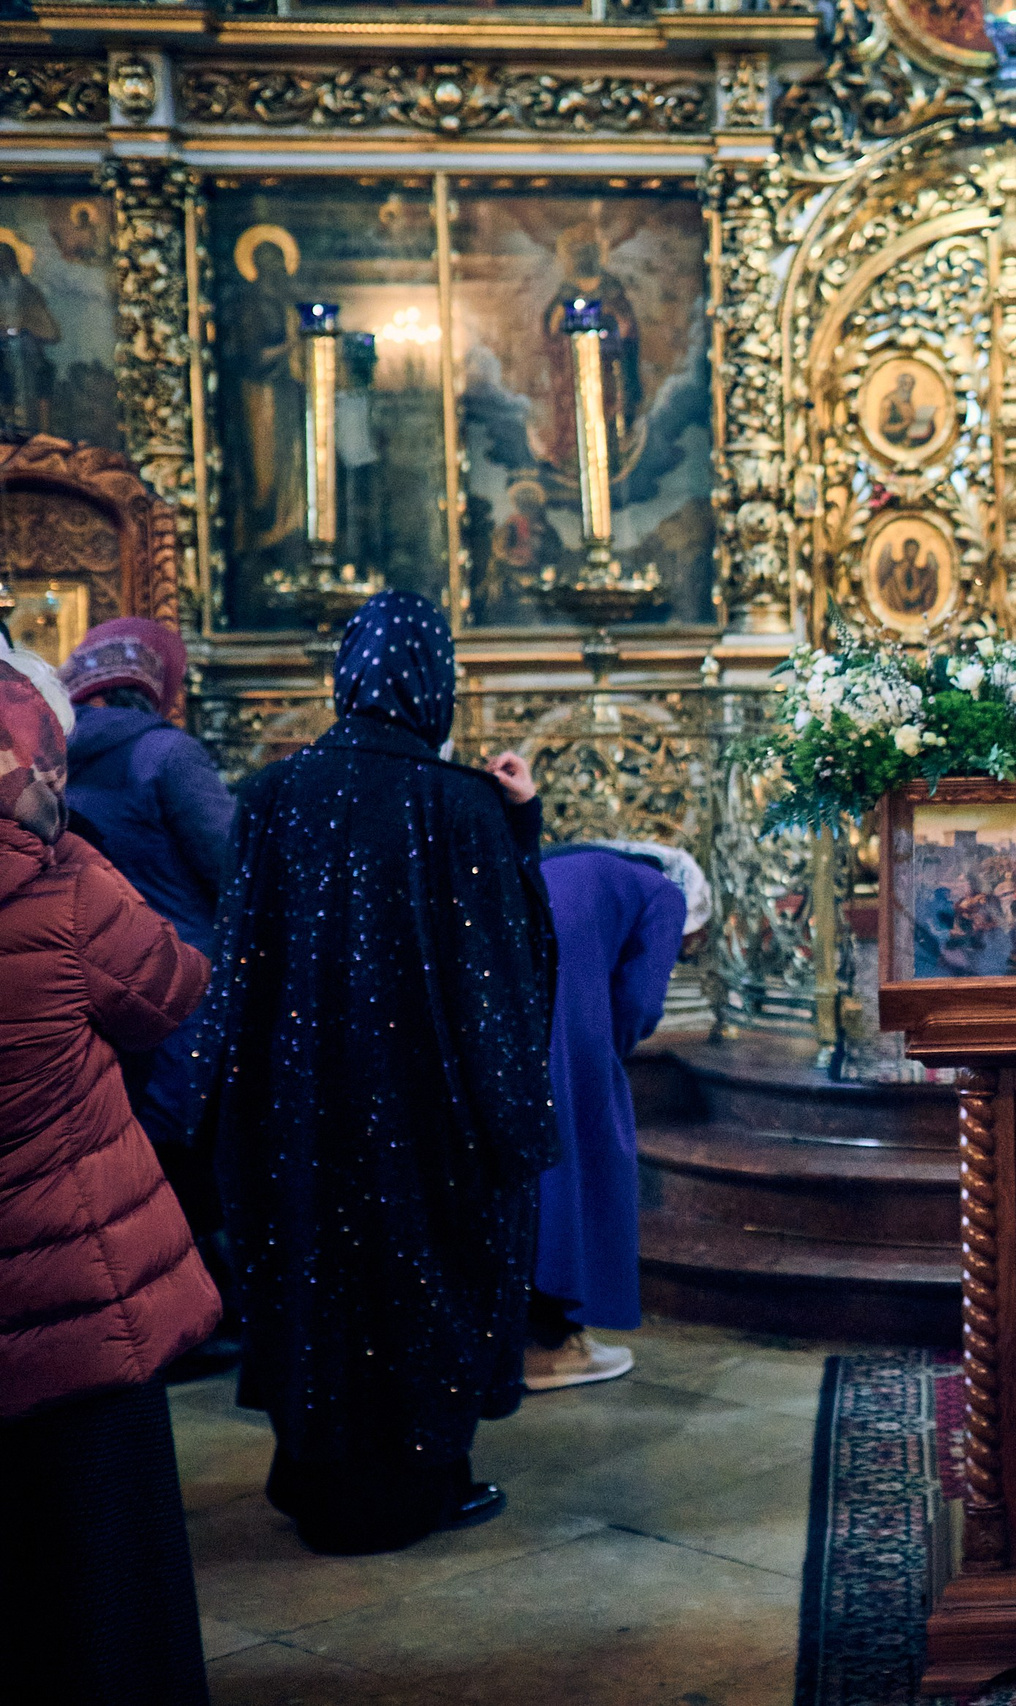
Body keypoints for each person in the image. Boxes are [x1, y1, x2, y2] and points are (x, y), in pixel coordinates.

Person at [199, 590, 560, 1556]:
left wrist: (227, 1100)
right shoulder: (463, 805)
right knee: (419, 1285)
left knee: (312, 1280)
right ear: (434, 679)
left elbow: (238, 964)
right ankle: (416, 1487)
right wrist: (521, 826)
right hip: (427, 1108)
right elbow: (509, 968)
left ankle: (312, 1475)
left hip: (296, 1103)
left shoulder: (270, 796)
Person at [0, 654, 219, 1705]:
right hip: (82, 1286)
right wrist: (69, 851)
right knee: (112, 1569)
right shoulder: (64, 889)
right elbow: (173, 987)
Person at [58, 617, 241, 1372]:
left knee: (134, 1160)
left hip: (96, 984)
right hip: (184, 983)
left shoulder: (49, 752)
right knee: (196, 1158)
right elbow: (234, 868)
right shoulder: (166, 754)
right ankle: (195, 1322)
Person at [525, 841, 693, 1392]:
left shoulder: (564, 862)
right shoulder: (665, 892)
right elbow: (642, 1000)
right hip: (568, 1029)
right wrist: (609, 1053)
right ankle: (551, 1347)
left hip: (500, 1018)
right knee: (581, 1170)